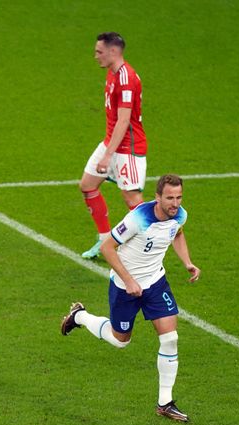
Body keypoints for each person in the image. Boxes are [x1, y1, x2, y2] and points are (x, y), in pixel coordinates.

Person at [61, 174, 200, 422]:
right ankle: (79, 316)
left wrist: (187, 262)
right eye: (170, 198)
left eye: (179, 197)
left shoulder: (180, 215)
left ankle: (165, 403)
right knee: (120, 340)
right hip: (125, 286)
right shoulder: (138, 218)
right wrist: (128, 281)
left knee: (170, 339)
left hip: (155, 282)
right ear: (157, 197)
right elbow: (106, 247)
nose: (175, 203)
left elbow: (177, 233)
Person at [78, 32, 148, 260]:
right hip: (112, 142)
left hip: (128, 148)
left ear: (113, 51)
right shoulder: (112, 72)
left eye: (99, 52)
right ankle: (104, 239)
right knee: (88, 185)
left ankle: (148, 248)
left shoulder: (126, 78)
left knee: (133, 202)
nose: (96, 56)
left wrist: (108, 156)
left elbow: (124, 120)